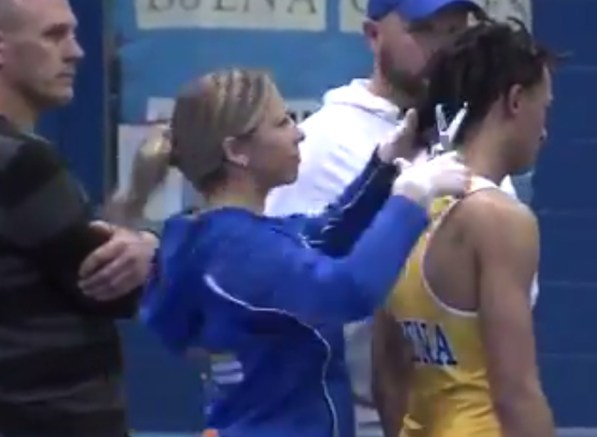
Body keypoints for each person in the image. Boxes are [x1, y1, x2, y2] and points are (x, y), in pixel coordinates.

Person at [137, 68, 471, 437]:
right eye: (281, 123)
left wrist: (385, 164)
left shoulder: (213, 236)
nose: (299, 133)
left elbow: (325, 233)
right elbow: (347, 291)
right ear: (236, 151)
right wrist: (411, 199)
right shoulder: (236, 249)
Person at [263, 2, 519, 436]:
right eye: (424, 29)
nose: (444, 46)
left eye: (455, 30)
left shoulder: (471, 134)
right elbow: (278, 298)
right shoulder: (322, 146)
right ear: (372, 34)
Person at [371, 19, 557, 437]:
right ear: (514, 101)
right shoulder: (499, 219)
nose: (544, 131)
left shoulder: (404, 204)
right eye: (543, 107)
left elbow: (387, 374)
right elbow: (516, 394)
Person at [0, 0, 158, 435]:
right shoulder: (22, 162)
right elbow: (110, 287)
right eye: (53, 35)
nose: (76, 52)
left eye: (72, 32)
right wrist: (147, 248)